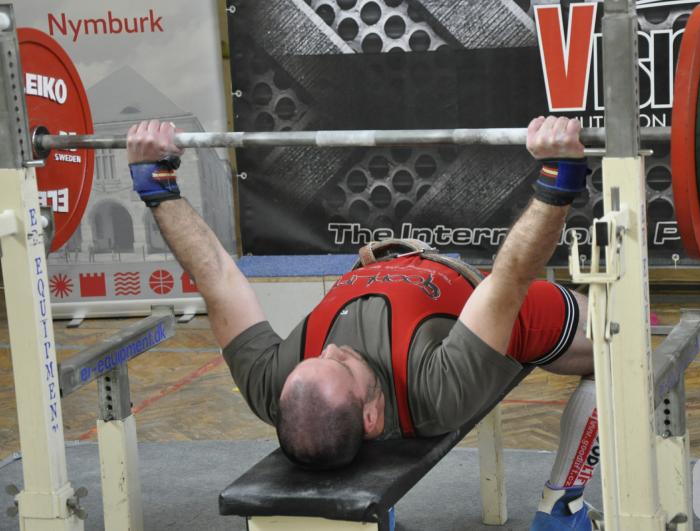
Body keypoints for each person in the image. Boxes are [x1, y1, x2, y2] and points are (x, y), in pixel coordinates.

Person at [127, 116, 599, 531]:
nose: (332, 349)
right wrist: (559, 176)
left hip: (387, 265)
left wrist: (155, 183)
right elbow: (509, 279)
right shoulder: (435, 391)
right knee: (617, 349)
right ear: (371, 416)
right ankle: (561, 506)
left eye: (315, 358)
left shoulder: (270, 385)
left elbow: (216, 278)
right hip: (488, 311)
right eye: (342, 365)